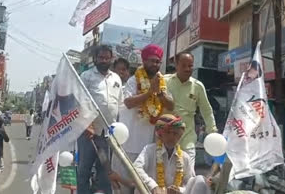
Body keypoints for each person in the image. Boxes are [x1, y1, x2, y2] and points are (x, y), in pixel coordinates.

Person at [111, 44, 174, 194]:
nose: (155, 64)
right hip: (127, 145)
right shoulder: (134, 80)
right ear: (144, 61)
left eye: (158, 61)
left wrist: (159, 93)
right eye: (152, 61)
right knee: (123, 189)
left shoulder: (161, 82)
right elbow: (128, 102)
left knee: (141, 188)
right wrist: (149, 93)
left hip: (147, 147)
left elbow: (171, 106)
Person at [78, 45, 124, 194]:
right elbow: (79, 101)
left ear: (111, 59)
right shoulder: (86, 76)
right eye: (101, 57)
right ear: (95, 59)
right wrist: (87, 124)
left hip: (108, 135)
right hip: (89, 133)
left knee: (105, 171)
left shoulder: (116, 78)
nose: (104, 60)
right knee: (84, 170)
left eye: (107, 57)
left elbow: (120, 105)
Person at [164, 52, 217, 172]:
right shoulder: (165, 81)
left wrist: (212, 130)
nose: (188, 69)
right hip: (165, 136)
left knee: (188, 174)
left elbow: (206, 110)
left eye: (190, 65)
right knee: (164, 173)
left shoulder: (198, 86)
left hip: (187, 137)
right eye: (184, 65)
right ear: (176, 65)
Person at [133, 114, 210, 194]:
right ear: (160, 134)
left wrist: (179, 190)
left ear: (179, 136)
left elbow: (190, 183)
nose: (171, 136)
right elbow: (136, 168)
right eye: (168, 132)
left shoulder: (185, 157)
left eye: (175, 133)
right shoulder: (149, 150)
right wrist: (153, 186)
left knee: (200, 180)